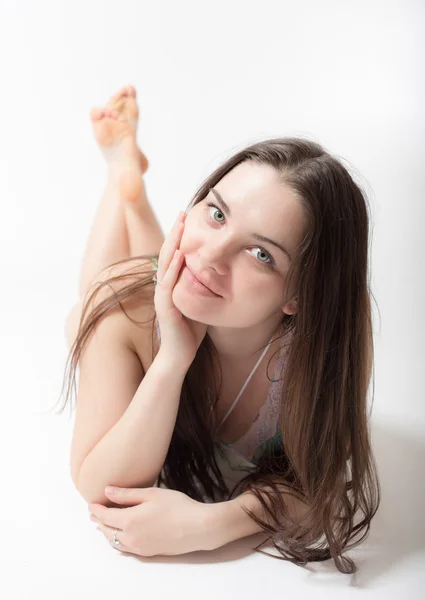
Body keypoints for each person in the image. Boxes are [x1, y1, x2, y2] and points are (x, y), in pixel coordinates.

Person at [57, 84, 380, 573]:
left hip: (175, 297)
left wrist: (212, 524)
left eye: (261, 253)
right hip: (126, 309)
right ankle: (122, 178)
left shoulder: (323, 342)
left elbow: (320, 484)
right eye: (216, 212)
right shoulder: (126, 317)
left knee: (174, 274)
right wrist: (170, 363)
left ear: (302, 295)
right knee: (102, 296)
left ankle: (135, 192)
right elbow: (98, 485)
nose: (210, 253)